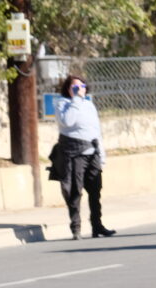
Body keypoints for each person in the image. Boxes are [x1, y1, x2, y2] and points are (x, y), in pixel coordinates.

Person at [54, 75, 115, 240]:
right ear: (68, 89)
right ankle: (76, 228)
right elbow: (68, 121)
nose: (79, 89)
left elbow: (96, 130)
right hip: (74, 154)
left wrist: (101, 154)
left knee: (95, 191)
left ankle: (97, 225)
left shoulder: (89, 105)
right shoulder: (63, 104)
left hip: (92, 151)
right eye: (74, 87)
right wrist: (76, 99)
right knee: (75, 192)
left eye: (81, 86)